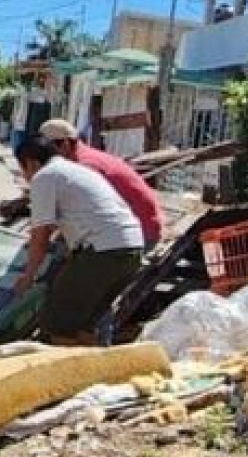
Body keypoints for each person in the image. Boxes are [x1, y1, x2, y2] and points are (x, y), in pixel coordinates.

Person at [12, 135, 144, 345]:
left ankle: (64, 374)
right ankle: (89, 371)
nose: (25, 176)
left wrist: (29, 275)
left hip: (102, 251)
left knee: (58, 320)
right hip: (131, 249)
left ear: (31, 163)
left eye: (23, 169)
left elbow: (41, 234)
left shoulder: (44, 177)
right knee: (84, 322)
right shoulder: (76, 171)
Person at [38, 118, 164, 250]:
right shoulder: (82, 158)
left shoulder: (84, 166)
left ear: (64, 145)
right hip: (139, 224)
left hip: (140, 233)